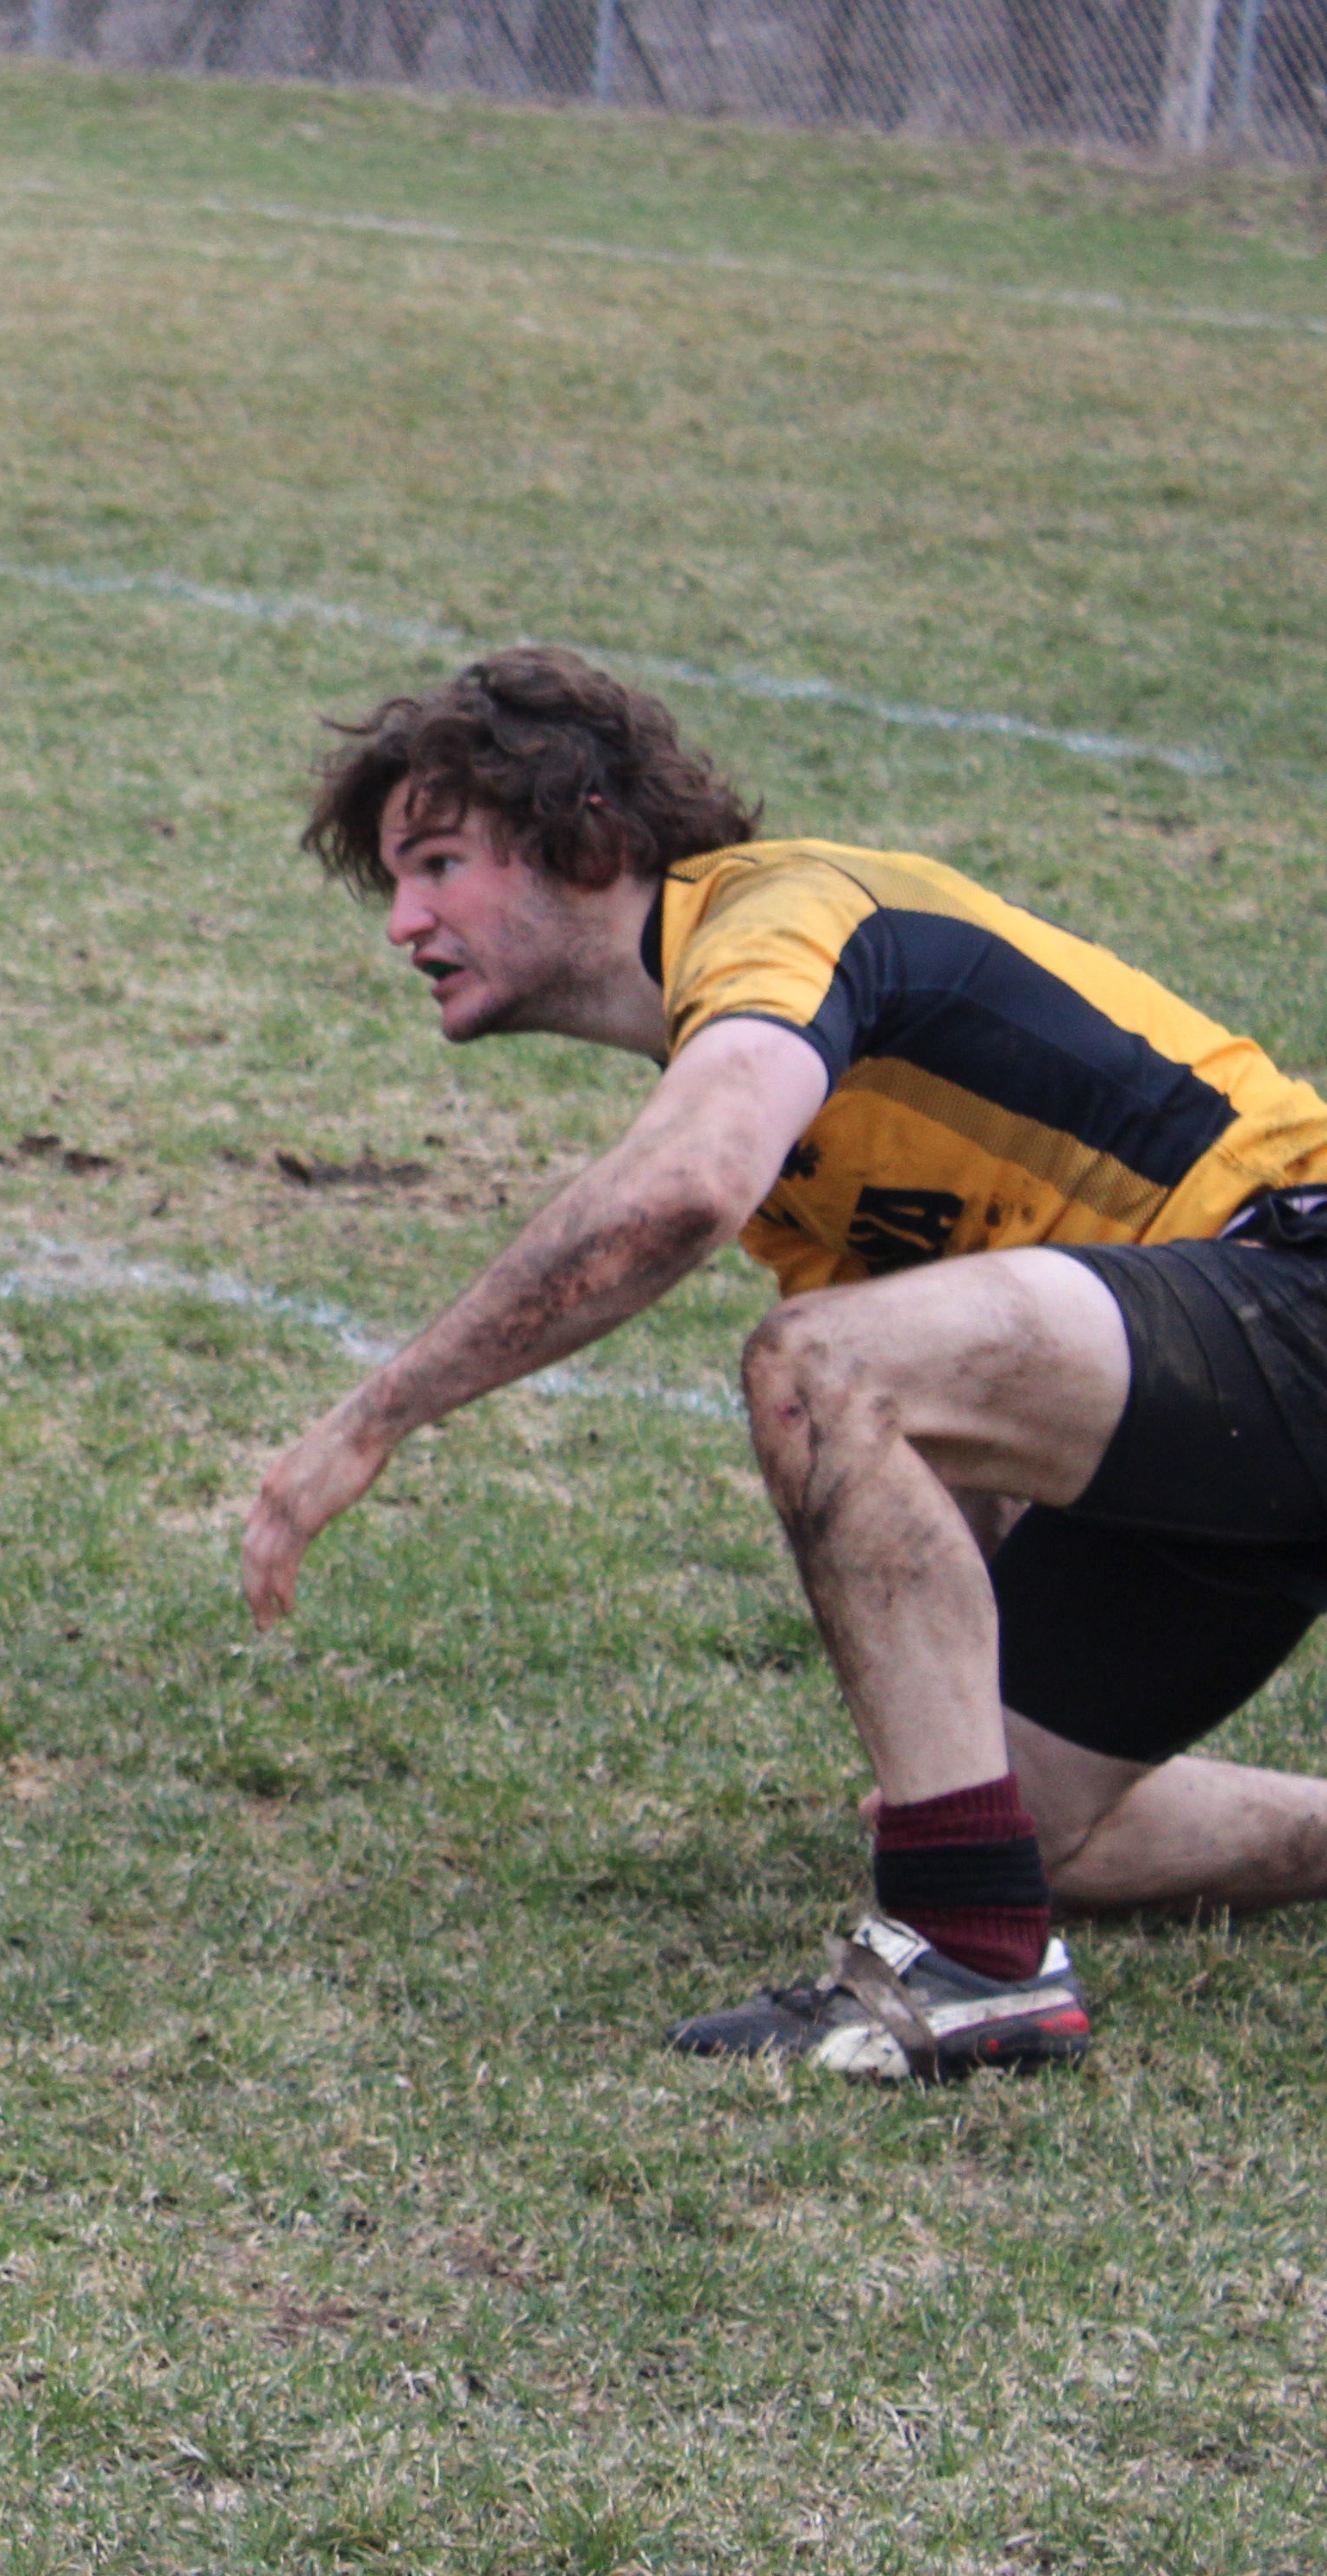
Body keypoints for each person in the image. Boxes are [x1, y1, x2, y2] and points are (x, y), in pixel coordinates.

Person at [242, 649, 1327, 2079]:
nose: (402, 921)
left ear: (594, 835)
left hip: (1288, 1285)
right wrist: (952, 1749)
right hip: (1221, 1415)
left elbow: (677, 1190)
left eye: (436, 863)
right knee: (1027, 1829)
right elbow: (951, 1464)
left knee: (824, 1367)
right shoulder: (803, 1114)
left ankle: (963, 1969)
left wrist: (376, 1413)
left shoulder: (771, 912)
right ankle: (982, 1912)